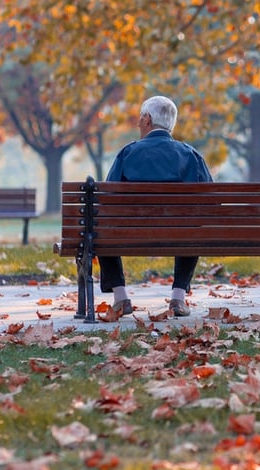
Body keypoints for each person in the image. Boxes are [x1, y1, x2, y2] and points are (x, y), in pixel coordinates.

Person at [99, 95, 213, 318]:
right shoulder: (190, 155)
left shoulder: (128, 153)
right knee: (192, 228)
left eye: (141, 118)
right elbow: (211, 202)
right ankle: (178, 298)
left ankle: (121, 298)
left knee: (100, 229)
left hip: (129, 235)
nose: (139, 123)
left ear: (148, 119)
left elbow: (107, 200)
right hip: (181, 234)